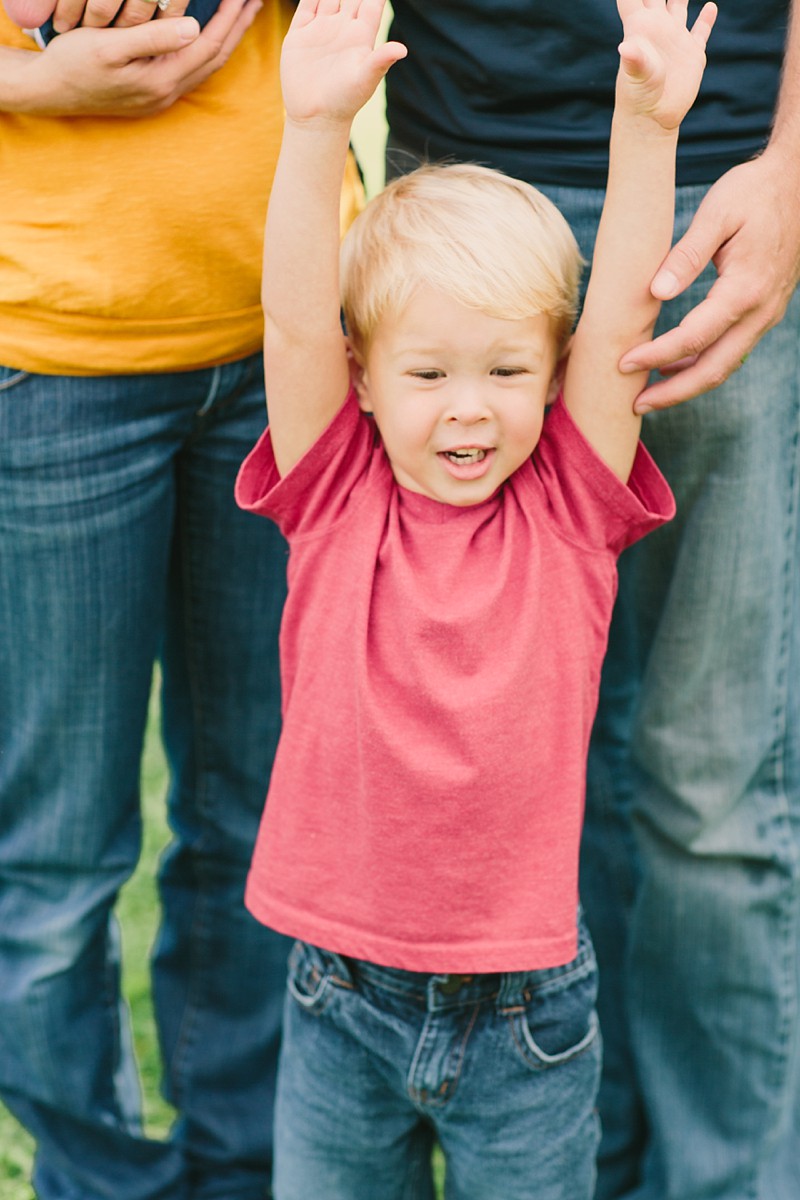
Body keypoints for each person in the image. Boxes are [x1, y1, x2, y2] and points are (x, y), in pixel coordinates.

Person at [234, 1, 715, 1195]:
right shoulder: (336, 489)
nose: (466, 407)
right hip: (338, 993)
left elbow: (618, 320)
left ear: (550, 378)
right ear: (364, 376)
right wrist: (310, 128)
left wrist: (646, 125)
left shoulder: (564, 509)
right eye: (428, 372)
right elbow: (295, 319)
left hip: (526, 1020)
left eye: (505, 372)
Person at [383, 3, 800, 1198]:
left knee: (707, 786)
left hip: (712, 205)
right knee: (506, 755)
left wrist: (787, 170)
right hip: (462, 202)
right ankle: (585, 1165)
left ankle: (726, 1178)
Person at [0, 0, 363, 1194]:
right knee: (54, 865)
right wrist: (35, 88)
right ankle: (98, 1183)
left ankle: (241, 1176)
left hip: (291, 332)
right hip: (42, 349)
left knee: (268, 820)